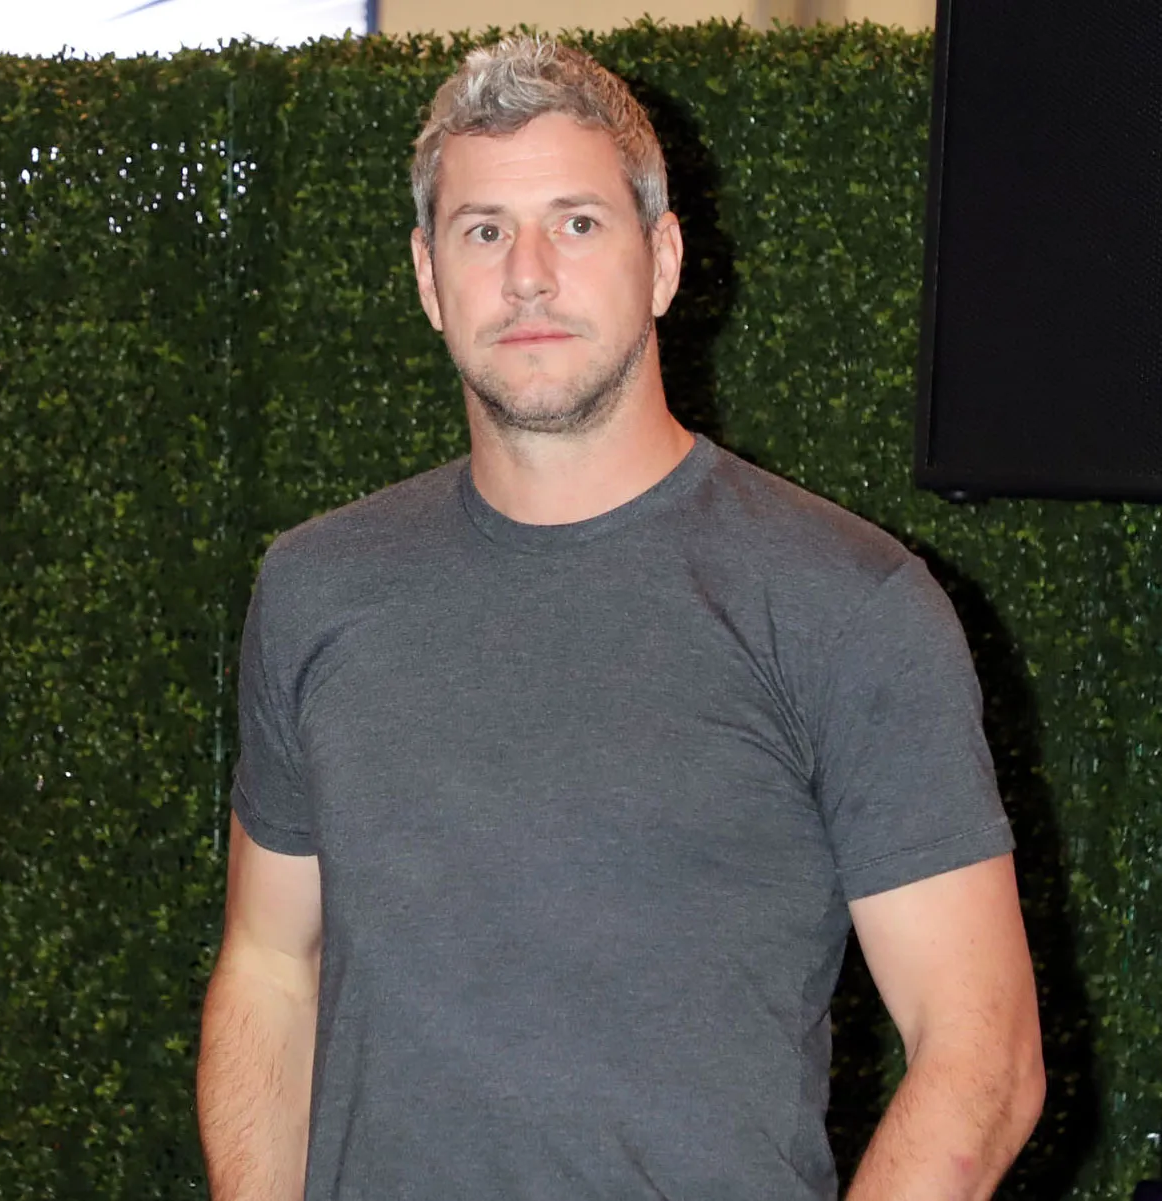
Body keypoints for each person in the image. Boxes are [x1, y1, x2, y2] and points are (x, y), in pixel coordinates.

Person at [196, 35, 1045, 1201]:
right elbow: (268, 968)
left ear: (662, 260)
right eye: (483, 231)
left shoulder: (846, 606)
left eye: (578, 223)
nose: (528, 275)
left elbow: (981, 1053)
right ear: (428, 278)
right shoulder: (316, 589)